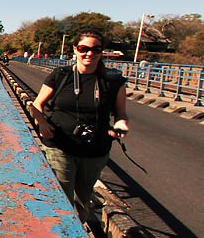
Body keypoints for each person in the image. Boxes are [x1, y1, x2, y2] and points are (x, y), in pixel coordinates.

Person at [28, 30, 129, 221]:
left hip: (95, 150)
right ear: (75, 50)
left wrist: (121, 124)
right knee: (61, 198)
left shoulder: (113, 82)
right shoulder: (61, 76)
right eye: (84, 49)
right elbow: (37, 105)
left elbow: (121, 114)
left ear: (101, 52)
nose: (89, 54)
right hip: (60, 145)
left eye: (96, 50)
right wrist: (41, 123)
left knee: (83, 201)